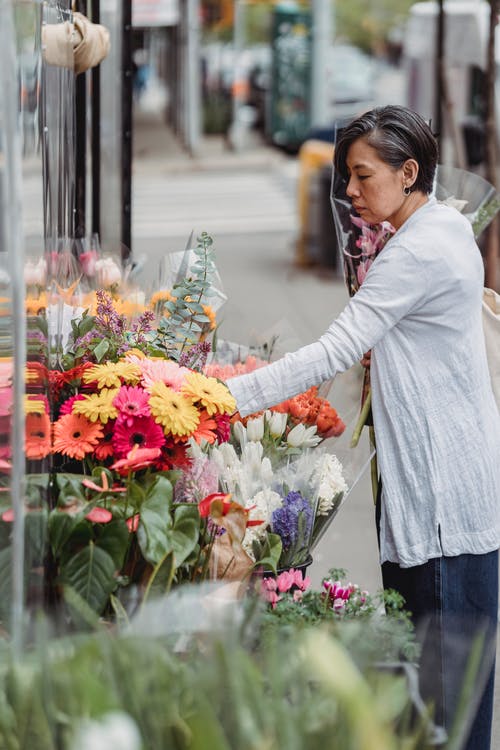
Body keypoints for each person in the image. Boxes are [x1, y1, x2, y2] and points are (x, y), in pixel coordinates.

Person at [226, 105, 500, 749]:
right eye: (346, 176)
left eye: (361, 174)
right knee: (447, 700)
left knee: (440, 710)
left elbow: (330, 353)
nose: (348, 191)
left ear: (409, 173)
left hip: (440, 508)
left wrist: (220, 394)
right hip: (457, 488)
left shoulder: (419, 251)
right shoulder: (444, 227)